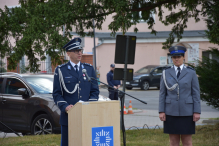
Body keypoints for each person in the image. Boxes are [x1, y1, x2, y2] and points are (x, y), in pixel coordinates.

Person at [53, 38, 99, 146]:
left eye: (81, 50)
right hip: (69, 117)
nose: (80, 53)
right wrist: (65, 106)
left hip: (86, 116)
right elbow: (56, 93)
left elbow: (94, 91)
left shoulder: (89, 69)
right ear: (68, 53)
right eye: (76, 50)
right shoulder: (61, 70)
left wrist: (89, 106)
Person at [159, 46, 201, 146]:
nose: (176, 59)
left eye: (179, 57)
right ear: (171, 58)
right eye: (174, 57)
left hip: (187, 112)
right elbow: (162, 93)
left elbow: (196, 93)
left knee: (187, 142)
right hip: (171, 111)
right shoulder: (166, 72)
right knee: (173, 142)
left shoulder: (191, 72)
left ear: (183, 57)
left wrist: (197, 111)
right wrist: (161, 111)